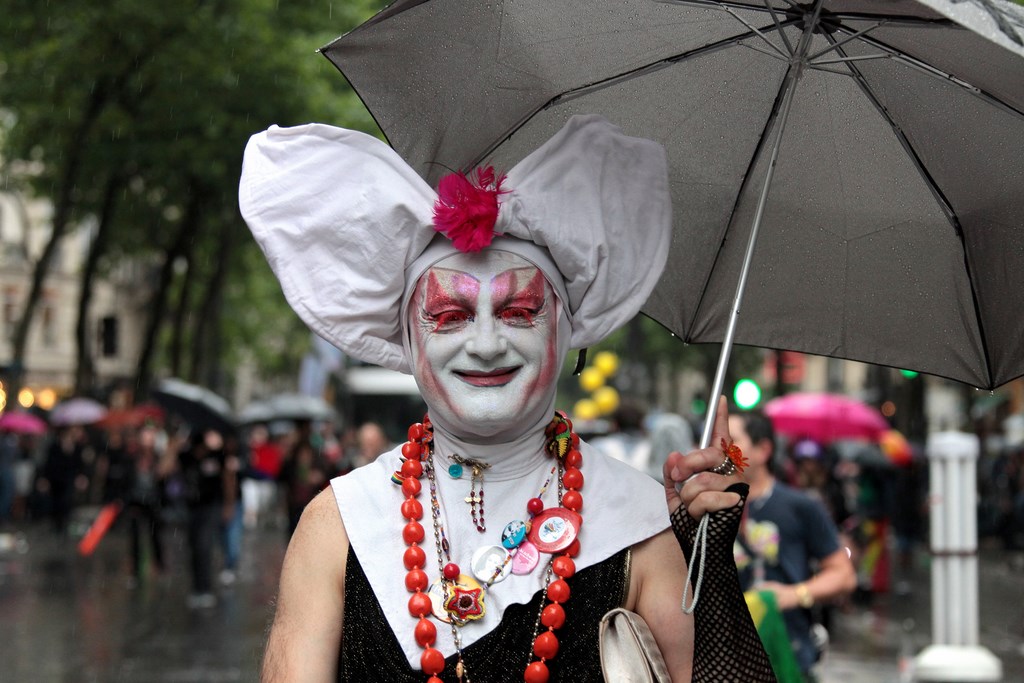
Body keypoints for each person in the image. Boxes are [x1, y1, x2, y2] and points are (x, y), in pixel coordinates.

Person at [241, 115, 774, 681]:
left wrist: (705, 564)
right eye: (449, 315)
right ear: (409, 339)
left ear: (565, 331)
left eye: (519, 311)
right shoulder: (339, 523)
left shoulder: (638, 522)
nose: (486, 343)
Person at [730, 410, 857, 681]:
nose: (721, 450)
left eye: (731, 440)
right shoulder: (704, 510)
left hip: (788, 652)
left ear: (763, 450)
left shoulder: (801, 506)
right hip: (726, 655)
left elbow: (843, 575)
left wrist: (793, 594)